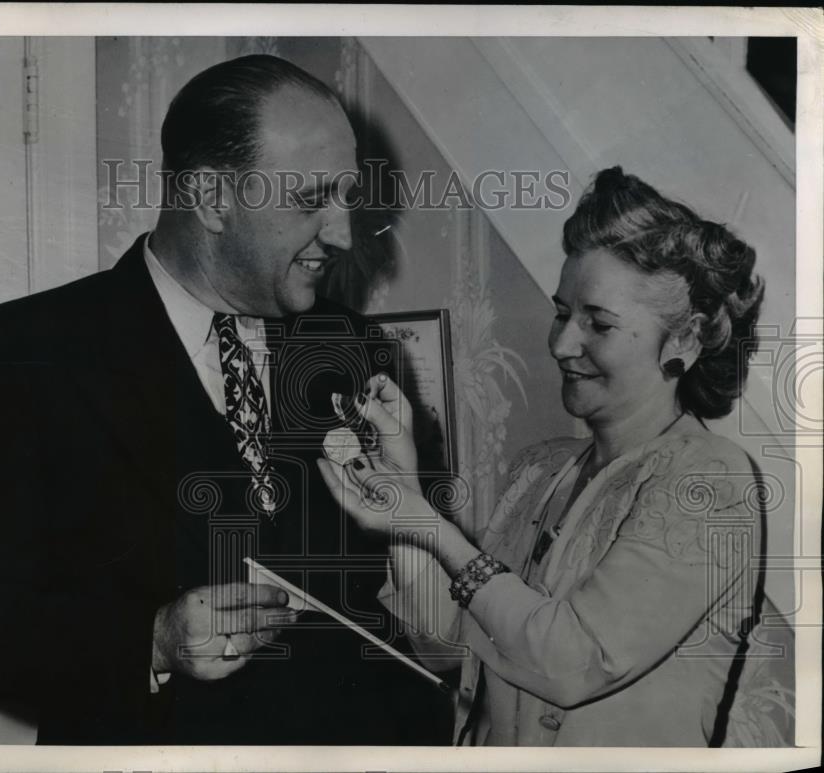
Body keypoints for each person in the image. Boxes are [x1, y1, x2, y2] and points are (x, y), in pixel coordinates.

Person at [0, 54, 447, 745]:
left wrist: (409, 519)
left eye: (347, 196)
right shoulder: (20, 351)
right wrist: (153, 639)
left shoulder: (356, 348)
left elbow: (421, 611)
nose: (344, 234)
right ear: (210, 198)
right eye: (312, 198)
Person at [319, 167, 795, 746]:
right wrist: (404, 489)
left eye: (599, 323)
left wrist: (430, 527)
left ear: (685, 342)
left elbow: (573, 662)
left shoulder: (709, 477)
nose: (562, 343)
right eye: (562, 313)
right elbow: (443, 641)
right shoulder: (539, 470)